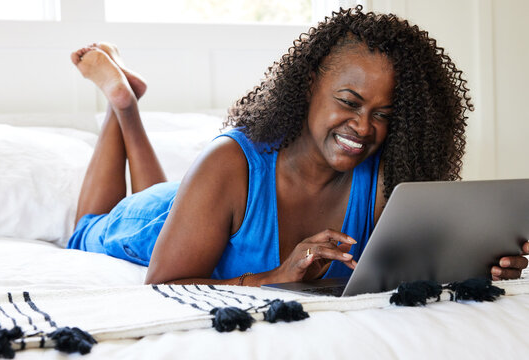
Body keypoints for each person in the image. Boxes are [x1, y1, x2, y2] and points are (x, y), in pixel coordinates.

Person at [67, 6, 529, 286]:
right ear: (309, 85)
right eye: (349, 102)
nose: (363, 127)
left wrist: (478, 266)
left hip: (195, 205)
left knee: (171, 191)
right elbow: (164, 285)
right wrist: (273, 279)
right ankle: (121, 105)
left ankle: (127, 102)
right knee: (86, 228)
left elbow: (411, 270)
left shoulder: (388, 182)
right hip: (155, 219)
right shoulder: (229, 163)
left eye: (383, 114)